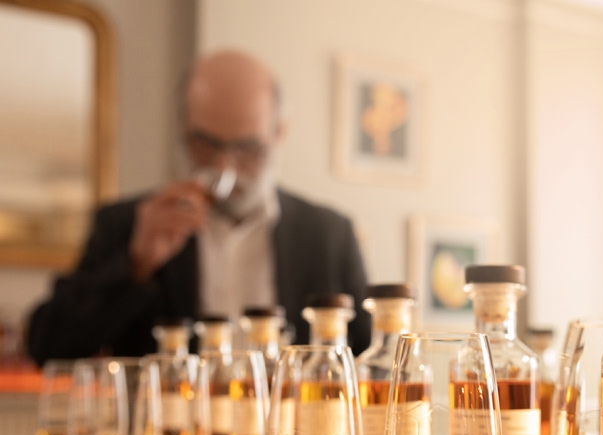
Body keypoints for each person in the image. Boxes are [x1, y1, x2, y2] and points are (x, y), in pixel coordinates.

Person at [26, 50, 371, 365]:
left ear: (279, 133)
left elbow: (366, 364)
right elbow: (46, 348)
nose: (224, 167)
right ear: (183, 129)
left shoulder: (329, 235)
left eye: (247, 148)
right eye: (205, 144)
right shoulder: (126, 223)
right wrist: (135, 265)